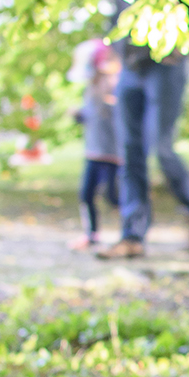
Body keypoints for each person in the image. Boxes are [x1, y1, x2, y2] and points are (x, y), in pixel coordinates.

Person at [97, 0, 189, 260]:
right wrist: (115, 63)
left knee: (162, 148)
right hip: (130, 69)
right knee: (130, 152)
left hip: (167, 67)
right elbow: (115, 19)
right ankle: (132, 236)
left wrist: (183, 48)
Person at [69, 40, 122, 249]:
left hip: (112, 153)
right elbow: (92, 116)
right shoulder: (89, 89)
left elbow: (117, 115)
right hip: (94, 151)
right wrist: (79, 115)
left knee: (114, 196)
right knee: (87, 195)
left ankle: (130, 232)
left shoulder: (112, 85)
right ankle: (92, 234)